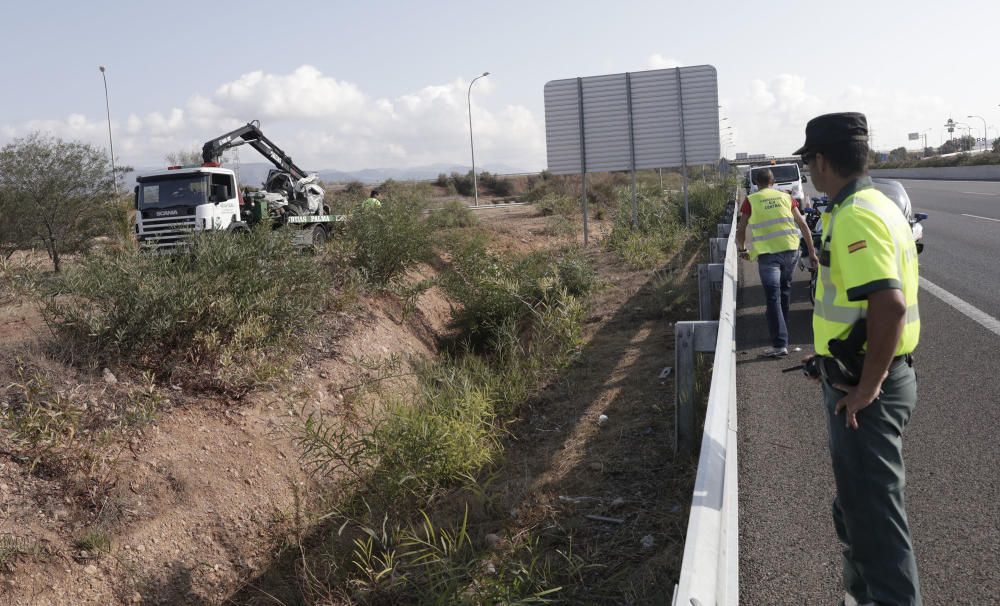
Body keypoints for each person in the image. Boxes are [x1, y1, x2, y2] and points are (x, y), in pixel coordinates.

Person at [796, 112, 922, 606]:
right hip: (863, 375)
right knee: (855, 510)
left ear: (822, 161)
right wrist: (829, 358)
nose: (807, 171)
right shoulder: (877, 203)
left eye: (808, 161)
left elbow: (888, 305)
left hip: (871, 392)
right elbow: (859, 308)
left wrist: (867, 387)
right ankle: (863, 596)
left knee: (877, 526)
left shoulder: (856, 215)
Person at [735, 168, 818, 357]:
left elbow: (741, 229)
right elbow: (803, 224)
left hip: (768, 256)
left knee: (773, 296)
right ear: (773, 182)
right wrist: (812, 252)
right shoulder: (786, 197)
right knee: (784, 291)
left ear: (756, 183)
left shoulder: (751, 200)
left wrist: (742, 250)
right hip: (790, 252)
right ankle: (781, 333)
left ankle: (780, 343)